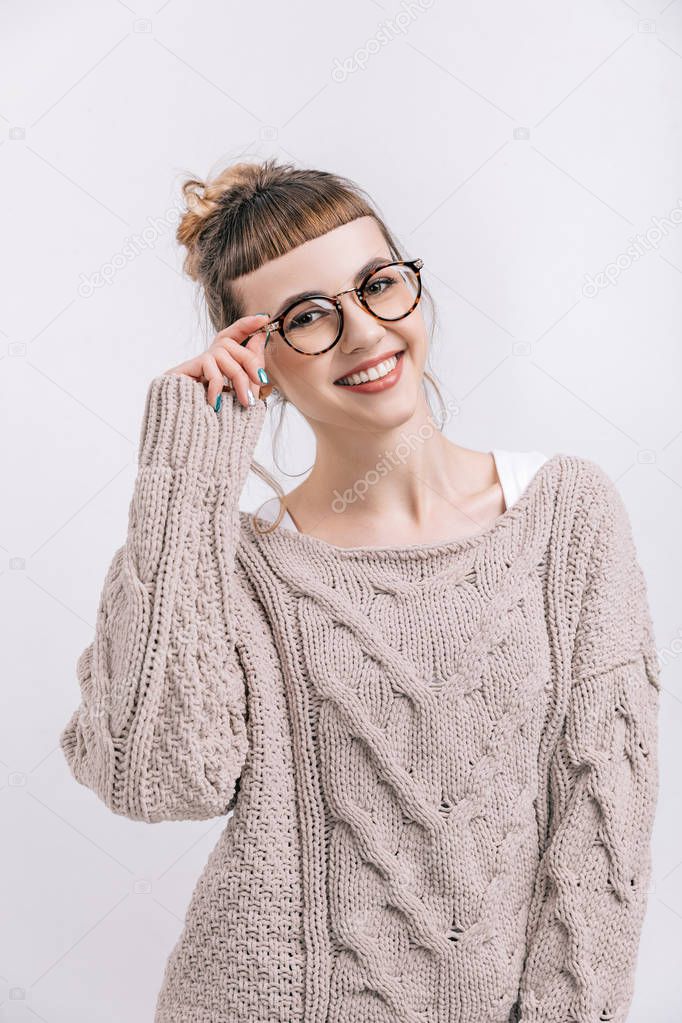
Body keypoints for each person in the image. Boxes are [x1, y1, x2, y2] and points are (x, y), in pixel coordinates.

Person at [59, 158, 660, 1023]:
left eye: (378, 285)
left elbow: (603, 845)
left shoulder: (567, 518)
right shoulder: (240, 566)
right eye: (306, 317)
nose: (364, 334)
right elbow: (155, 778)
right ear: (254, 360)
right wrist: (188, 472)